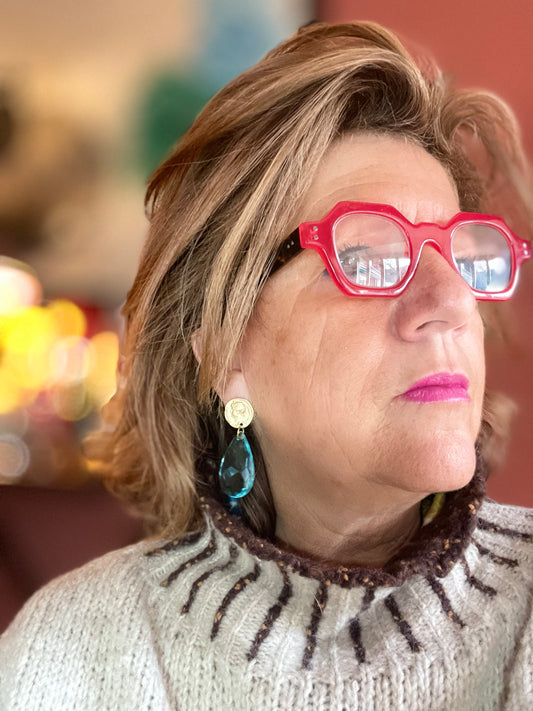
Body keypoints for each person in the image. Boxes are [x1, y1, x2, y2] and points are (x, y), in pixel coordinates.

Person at [1, 20, 532, 711]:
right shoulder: (72, 655)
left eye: (463, 256)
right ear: (225, 352)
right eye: (369, 256)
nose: (452, 303)